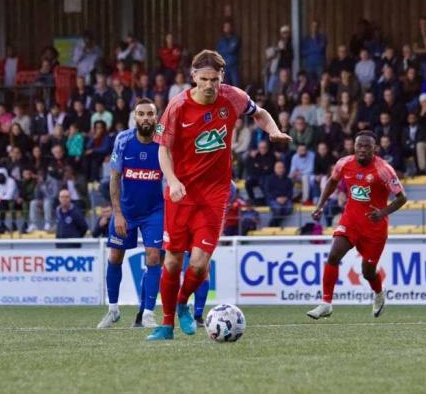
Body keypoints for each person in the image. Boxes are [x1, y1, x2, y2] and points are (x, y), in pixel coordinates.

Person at [146, 49, 290, 340]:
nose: (210, 85)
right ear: (194, 78)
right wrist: (172, 181)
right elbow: (162, 150)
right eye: (204, 79)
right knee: (172, 261)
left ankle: (183, 303)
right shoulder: (177, 107)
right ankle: (166, 325)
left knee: (199, 264)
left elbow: (259, 113)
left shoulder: (232, 97)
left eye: (214, 79)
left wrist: (274, 131)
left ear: (222, 76)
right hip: (180, 193)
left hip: (215, 193)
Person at [308, 131, 407, 320]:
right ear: (354, 146)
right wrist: (320, 206)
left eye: (366, 146)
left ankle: (378, 294)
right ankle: (326, 303)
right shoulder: (344, 163)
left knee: (367, 271)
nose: (362, 149)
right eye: (359, 145)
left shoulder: (384, 169)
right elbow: (331, 182)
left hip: (374, 228)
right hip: (351, 221)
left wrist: (382, 213)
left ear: (375, 149)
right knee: (334, 254)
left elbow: (402, 198)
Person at [98, 99, 165, 330]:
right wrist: (117, 213)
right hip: (126, 211)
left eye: (150, 114)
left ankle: (147, 313)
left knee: (154, 257)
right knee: (115, 257)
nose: (146, 118)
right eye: (141, 114)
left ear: (157, 117)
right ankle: (113, 310)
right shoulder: (123, 140)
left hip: (155, 211)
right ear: (135, 117)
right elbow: (115, 178)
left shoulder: (165, 138)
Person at [216, 21, 240, 86]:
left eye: (229, 27)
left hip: (233, 67)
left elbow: (231, 50)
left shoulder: (235, 39)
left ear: (232, 28)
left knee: (236, 87)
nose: (227, 28)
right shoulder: (221, 40)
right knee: (226, 87)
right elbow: (218, 52)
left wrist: (223, 50)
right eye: (226, 27)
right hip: (224, 67)